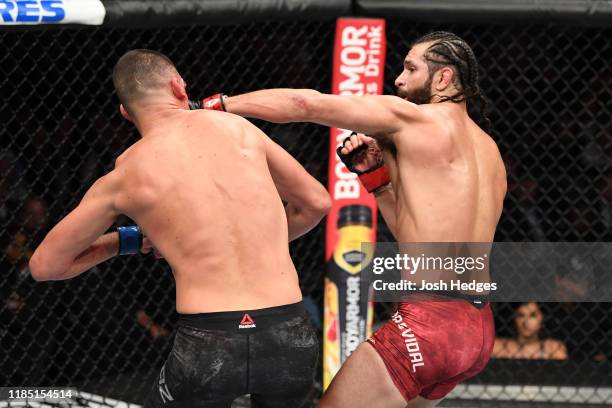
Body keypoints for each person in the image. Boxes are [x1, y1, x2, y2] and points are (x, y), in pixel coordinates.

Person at [192, 31, 507, 408]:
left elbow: (304, 104)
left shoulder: (411, 118)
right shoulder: (491, 153)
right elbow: (418, 239)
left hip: (428, 323)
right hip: (477, 330)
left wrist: (211, 105)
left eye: (411, 68)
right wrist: (377, 181)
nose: (399, 80)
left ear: (443, 78)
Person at [29, 49, 331, 408]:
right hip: (288, 333)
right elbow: (316, 202)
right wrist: (263, 240)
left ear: (125, 112)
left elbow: (45, 266)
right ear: (179, 86)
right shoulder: (239, 129)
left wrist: (126, 241)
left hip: (211, 341)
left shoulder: (126, 173)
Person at [492, 302, 567, 360]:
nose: (526, 321)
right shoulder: (498, 346)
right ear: (514, 319)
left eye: (533, 315)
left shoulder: (553, 347)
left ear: (543, 319)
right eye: (521, 315)